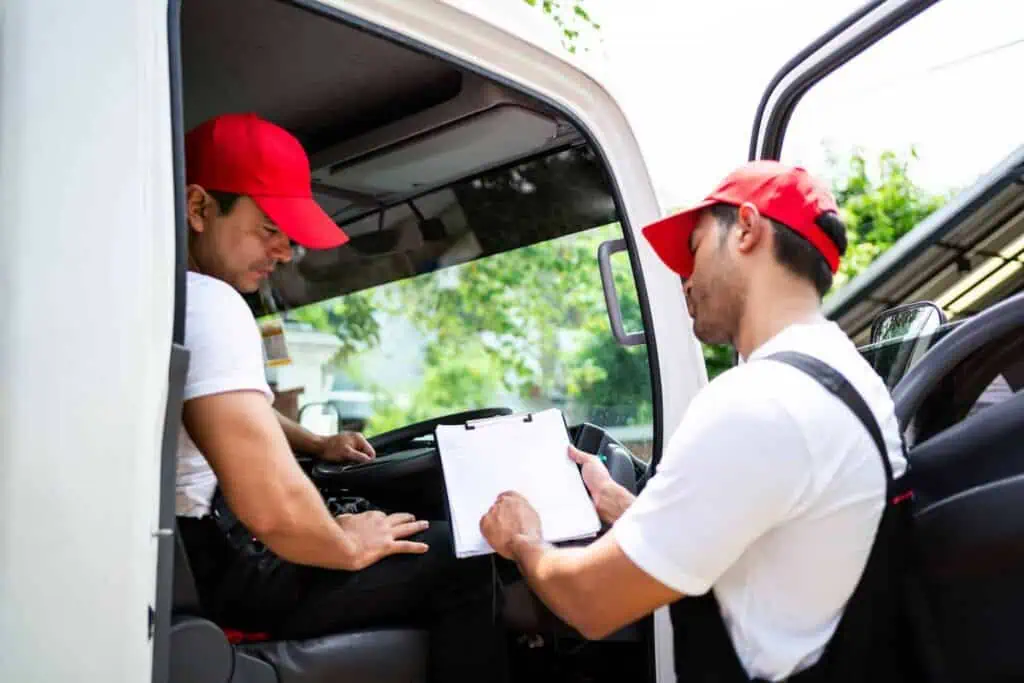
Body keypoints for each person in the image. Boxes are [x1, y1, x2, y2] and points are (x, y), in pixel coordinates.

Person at [481, 161, 911, 681]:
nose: (684, 279)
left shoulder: (762, 401)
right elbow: (769, 538)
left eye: (695, 249)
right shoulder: (842, 375)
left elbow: (590, 602)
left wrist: (522, 538)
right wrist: (627, 509)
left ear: (747, 230)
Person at [175, 112, 504, 683]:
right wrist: (347, 543)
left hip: (192, 557)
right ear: (200, 207)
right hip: (229, 570)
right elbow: (274, 506)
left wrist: (317, 442)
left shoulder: (163, 297)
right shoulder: (211, 305)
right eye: (269, 227)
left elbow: (225, 410)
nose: (283, 251)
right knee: (476, 552)